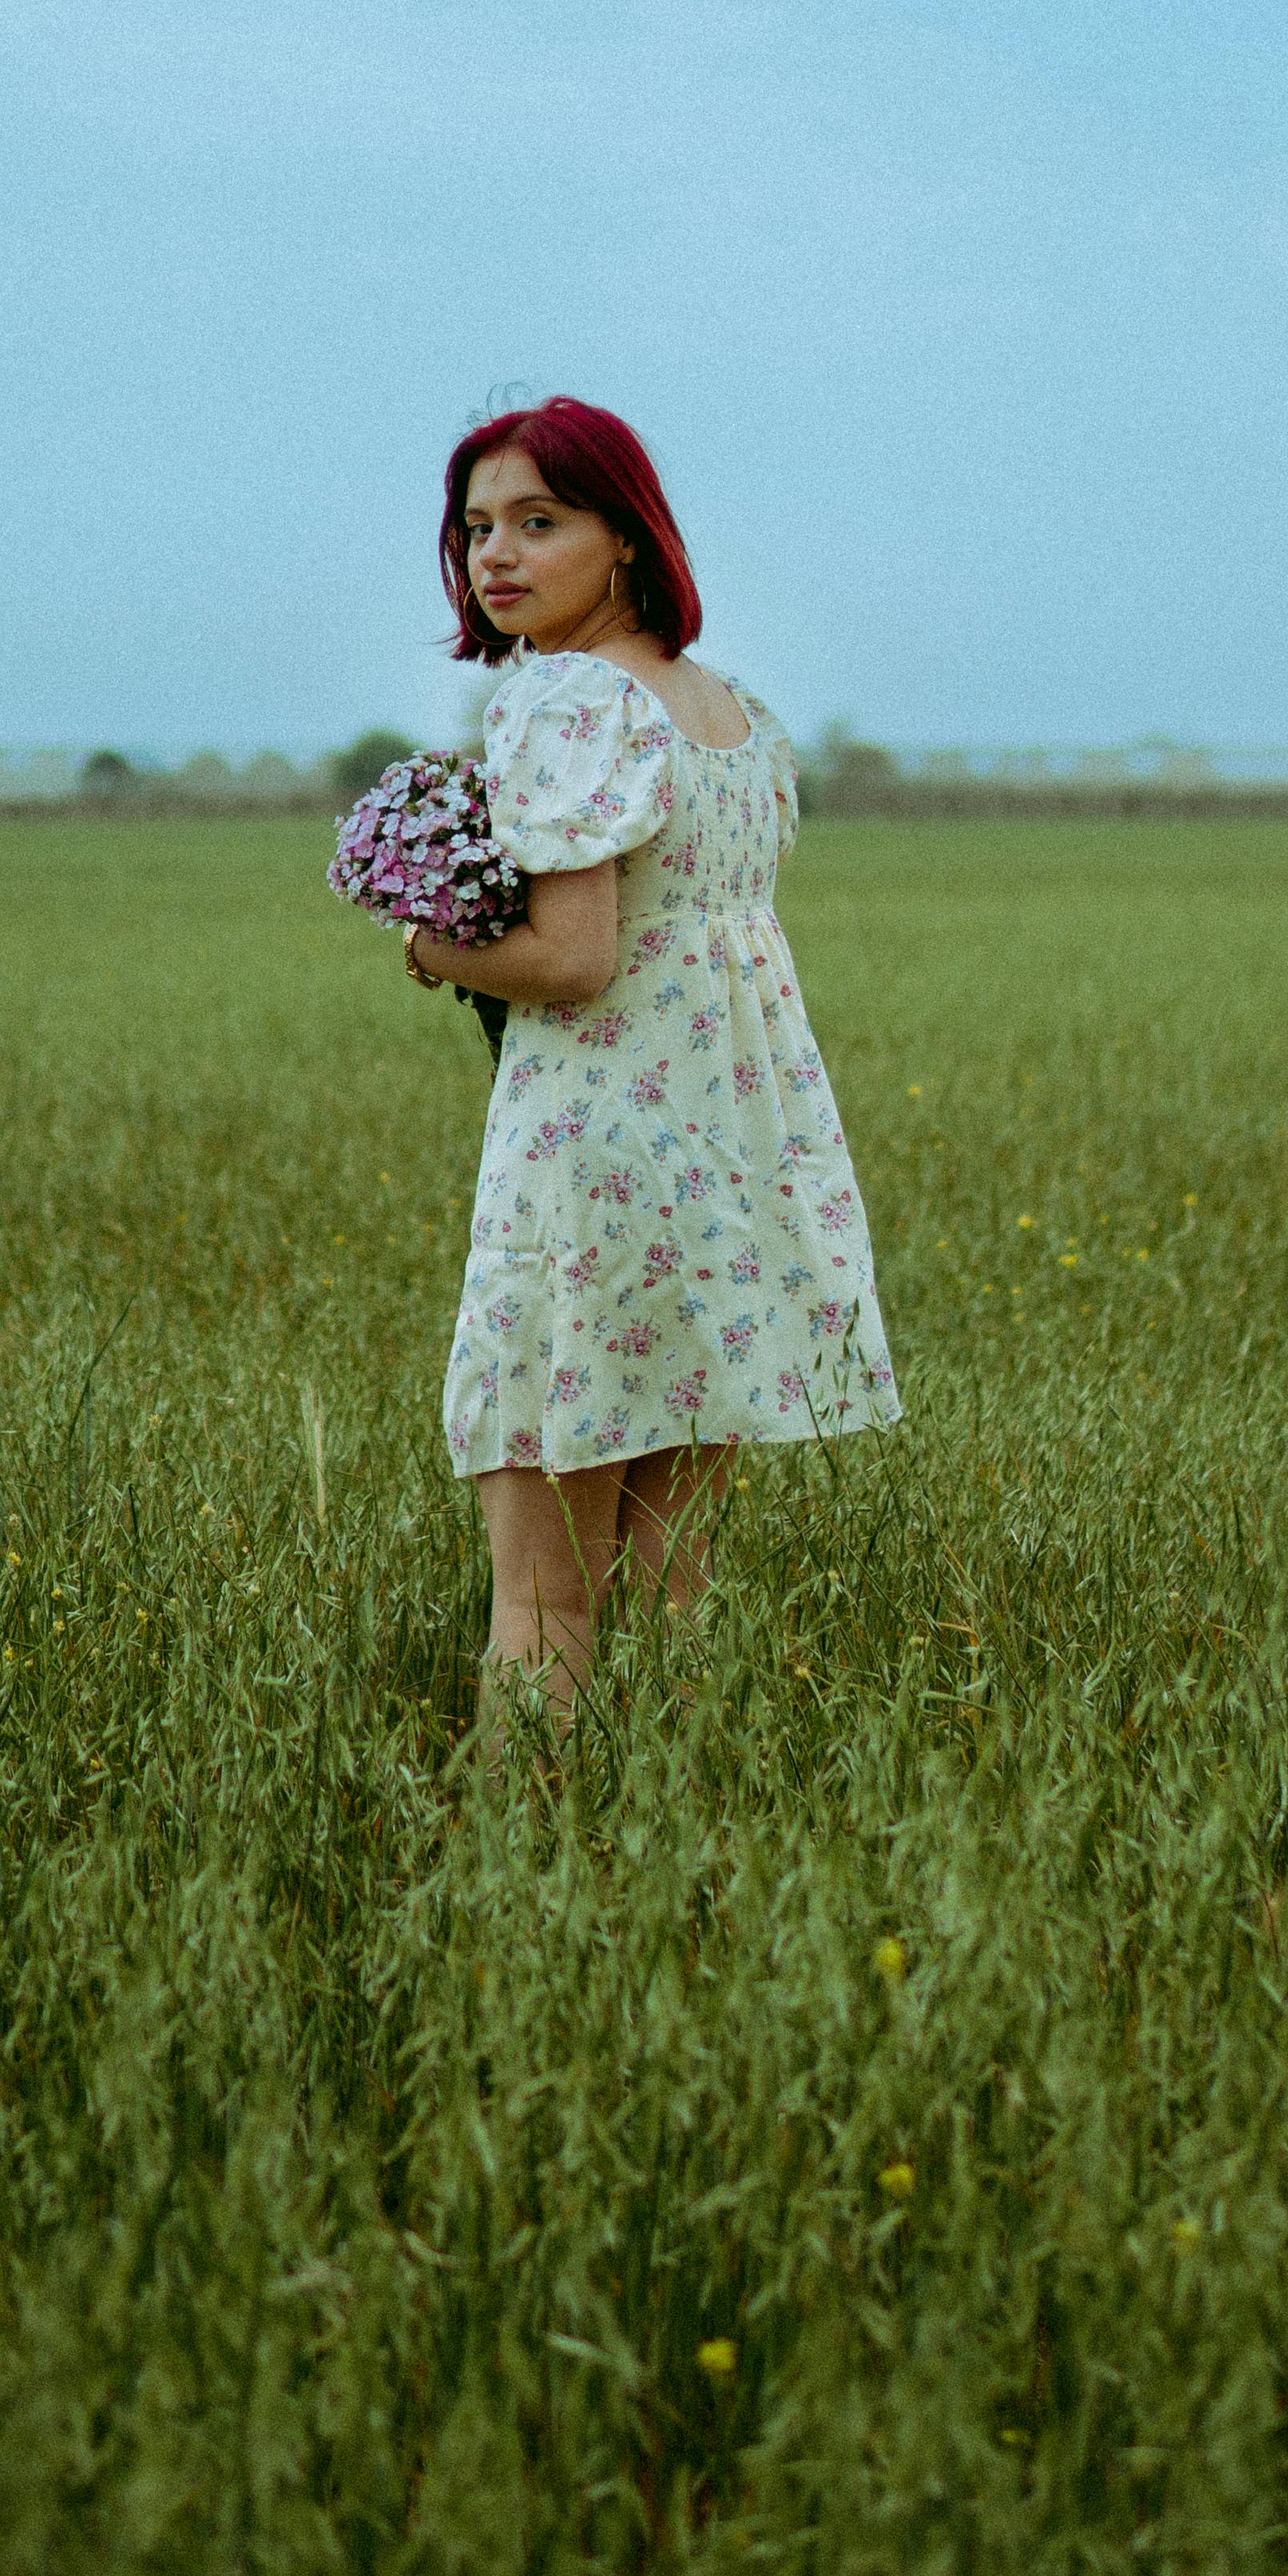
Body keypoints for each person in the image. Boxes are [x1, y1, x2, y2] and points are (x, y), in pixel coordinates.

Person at [399, 396, 901, 1717]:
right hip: (725, 1175)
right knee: (669, 1590)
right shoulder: (729, 713)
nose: (494, 556)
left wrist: (431, 946)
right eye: (475, 529)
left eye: (538, 522)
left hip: (593, 1170)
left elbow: (572, 962)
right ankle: (676, 1854)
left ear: (625, 539)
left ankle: (522, 1892)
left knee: (542, 1602)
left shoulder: (566, 702)